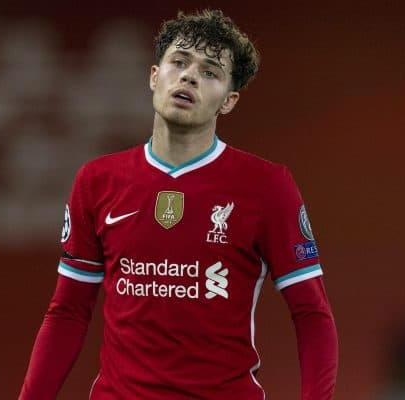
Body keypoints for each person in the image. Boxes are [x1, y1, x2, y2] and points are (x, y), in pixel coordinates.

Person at [20, 9, 338, 400]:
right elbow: (68, 312)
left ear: (229, 101)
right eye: (179, 62)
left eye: (210, 72)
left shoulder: (268, 186)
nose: (189, 76)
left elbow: (312, 315)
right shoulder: (97, 181)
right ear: (155, 76)